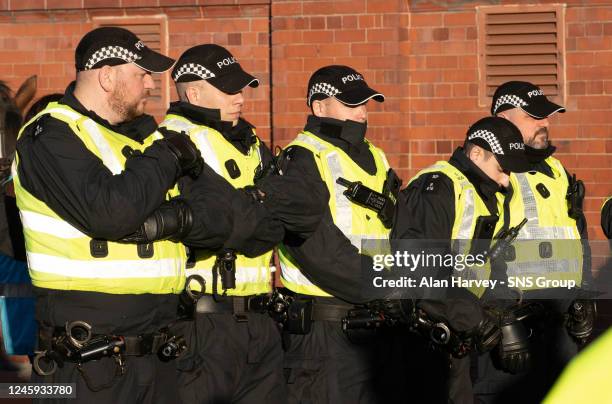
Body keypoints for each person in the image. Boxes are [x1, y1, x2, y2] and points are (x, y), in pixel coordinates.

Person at [12, 27, 228, 403]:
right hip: (89, 359)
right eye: (141, 73)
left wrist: (164, 221)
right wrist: (168, 158)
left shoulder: (143, 140)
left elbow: (221, 219)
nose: (151, 85)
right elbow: (111, 213)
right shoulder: (50, 135)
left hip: (161, 350)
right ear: (106, 75)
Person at [160, 44, 327, 403]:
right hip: (202, 324)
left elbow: (306, 212)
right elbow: (224, 228)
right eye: (229, 90)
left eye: (241, 89)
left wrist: (255, 217)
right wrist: (263, 214)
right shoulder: (172, 142)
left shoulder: (250, 142)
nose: (240, 98)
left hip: (260, 322)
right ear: (194, 92)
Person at [469, 81, 596, 403]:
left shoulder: (558, 171)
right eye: (533, 117)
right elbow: (468, 253)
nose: (545, 123)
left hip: (559, 329)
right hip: (510, 330)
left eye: (547, 116)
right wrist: (499, 317)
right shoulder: (487, 168)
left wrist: (581, 296)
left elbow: (575, 237)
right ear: (503, 119)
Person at [392, 116, 533, 403]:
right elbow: (422, 268)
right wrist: (476, 320)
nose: (506, 179)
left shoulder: (485, 192)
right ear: (476, 153)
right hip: (431, 336)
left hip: (462, 330)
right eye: (502, 168)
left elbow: (483, 264)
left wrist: (500, 313)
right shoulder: (439, 186)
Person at [278, 65, 397, 403]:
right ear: (319, 107)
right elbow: (317, 248)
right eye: (351, 103)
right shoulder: (301, 158)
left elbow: (394, 226)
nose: (362, 111)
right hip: (324, 330)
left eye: (365, 103)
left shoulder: (374, 154)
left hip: (376, 322)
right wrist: (385, 286)